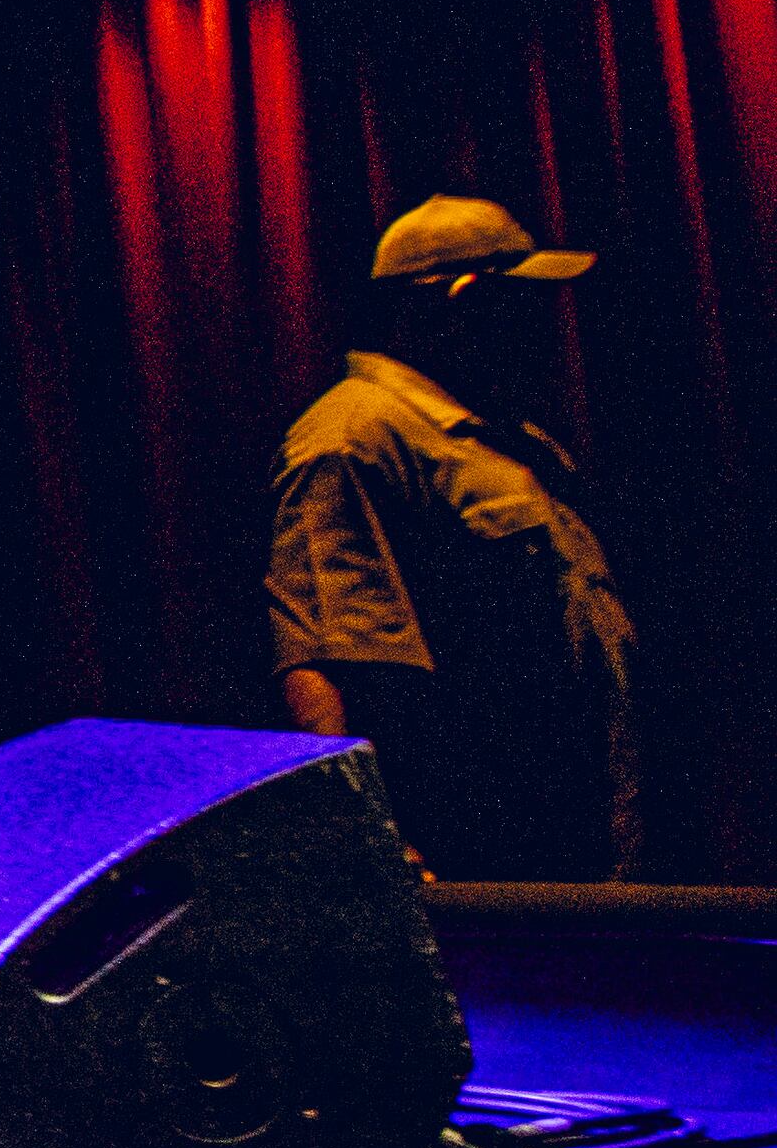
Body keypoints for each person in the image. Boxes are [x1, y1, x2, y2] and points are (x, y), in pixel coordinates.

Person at [268, 195, 638, 880]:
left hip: (571, 846)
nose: (543, 321)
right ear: (459, 300)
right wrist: (373, 839)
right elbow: (326, 651)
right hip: (481, 858)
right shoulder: (356, 434)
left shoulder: (510, 439)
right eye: (520, 297)